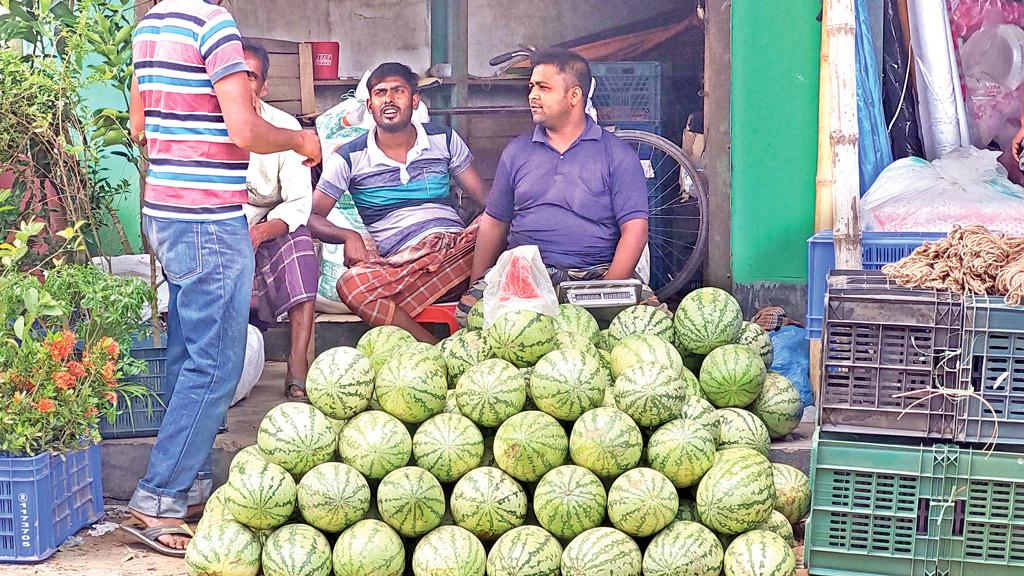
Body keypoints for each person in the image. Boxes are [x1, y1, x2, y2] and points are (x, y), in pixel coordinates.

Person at [125, 0, 321, 556]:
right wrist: (301, 140)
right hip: (209, 218)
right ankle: (157, 498)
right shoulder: (213, 24)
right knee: (216, 364)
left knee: (190, 355)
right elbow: (245, 130)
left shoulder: (151, 25)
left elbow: (139, 125)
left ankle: (187, 489)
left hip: (165, 209)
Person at [459, 48, 650, 319]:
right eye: (532, 87)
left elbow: (635, 230)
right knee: (470, 315)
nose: (533, 96)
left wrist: (608, 290)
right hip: (525, 272)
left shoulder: (617, 155)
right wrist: (479, 284)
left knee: (650, 326)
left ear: (574, 96)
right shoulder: (517, 151)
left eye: (543, 88)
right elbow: (494, 221)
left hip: (595, 273)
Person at [308, 62, 488, 344]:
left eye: (398, 91)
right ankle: (433, 347)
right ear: (369, 104)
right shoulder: (349, 156)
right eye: (380, 93)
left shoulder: (444, 139)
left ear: (415, 100)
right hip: (404, 268)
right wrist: (348, 236)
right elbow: (311, 217)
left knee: (499, 225)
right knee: (352, 286)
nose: (389, 100)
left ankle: (474, 290)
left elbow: (489, 203)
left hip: (456, 248)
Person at [240, 40, 318, 399]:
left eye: (251, 76)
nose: (241, 83)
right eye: (233, 74)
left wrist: (259, 232)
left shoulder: (285, 128)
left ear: (264, 86)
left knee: (302, 246)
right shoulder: (206, 126)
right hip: (220, 232)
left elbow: (300, 202)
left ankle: (297, 363)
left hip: (267, 229)